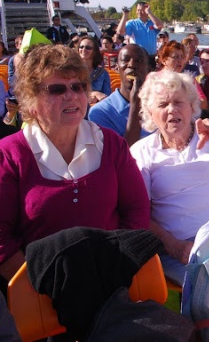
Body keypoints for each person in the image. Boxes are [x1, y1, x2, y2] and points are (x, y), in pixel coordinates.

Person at [0, 45, 150, 290]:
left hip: (110, 283)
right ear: (31, 102)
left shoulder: (112, 145)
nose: (71, 95)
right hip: (41, 293)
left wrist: (120, 268)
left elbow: (136, 211)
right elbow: (1, 238)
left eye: (78, 87)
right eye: (57, 89)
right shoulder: (9, 154)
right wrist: (36, 289)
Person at [130, 70, 209, 284]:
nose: (172, 110)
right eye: (162, 105)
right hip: (186, 247)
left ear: (191, 106)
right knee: (203, 283)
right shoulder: (142, 152)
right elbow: (138, 214)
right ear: (150, 112)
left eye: (179, 102)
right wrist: (173, 246)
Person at [88, 44, 150, 146]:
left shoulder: (158, 105)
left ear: (148, 69)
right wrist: (135, 106)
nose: (131, 65)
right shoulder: (101, 111)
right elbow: (121, 156)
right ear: (117, 67)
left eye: (139, 61)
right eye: (125, 60)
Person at [116, 1, 164, 70]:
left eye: (142, 10)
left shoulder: (152, 23)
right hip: (138, 57)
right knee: (138, 78)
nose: (139, 12)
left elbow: (160, 25)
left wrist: (149, 12)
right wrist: (125, 15)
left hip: (150, 57)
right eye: (138, 10)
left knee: (150, 79)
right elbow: (120, 32)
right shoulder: (132, 23)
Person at [78, 36, 111, 104]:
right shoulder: (72, 72)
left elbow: (107, 97)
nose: (84, 49)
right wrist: (94, 94)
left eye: (88, 48)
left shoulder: (103, 73)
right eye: (81, 47)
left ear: (94, 51)